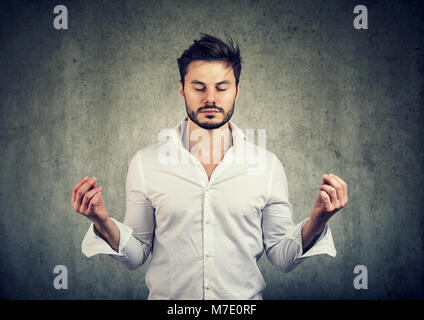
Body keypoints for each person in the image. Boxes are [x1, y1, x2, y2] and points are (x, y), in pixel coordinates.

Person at [71, 33, 348, 300]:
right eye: (199, 87)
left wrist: (318, 220)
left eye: (222, 87)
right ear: (182, 90)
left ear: (237, 91)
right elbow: (136, 254)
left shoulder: (267, 166)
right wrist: (102, 221)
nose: (211, 99)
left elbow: (282, 257)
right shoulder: (146, 164)